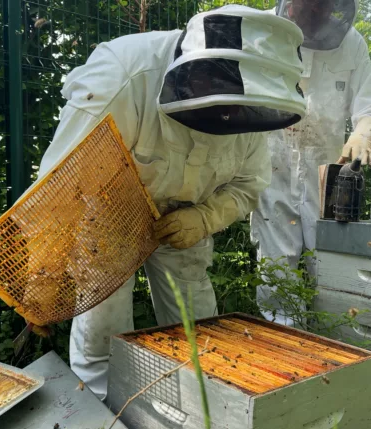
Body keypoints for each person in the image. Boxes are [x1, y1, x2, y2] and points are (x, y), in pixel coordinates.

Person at [35, 5, 306, 399]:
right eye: (224, 103)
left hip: (185, 219)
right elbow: (62, 183)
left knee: (197, 328)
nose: (230, 115)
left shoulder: (250, 100)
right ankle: (103, 413)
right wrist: (44, 271)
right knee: (103, 331)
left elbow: (250, 185)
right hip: (108, 213)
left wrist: (204, 218)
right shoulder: (124, 74)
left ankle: (200, 408)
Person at [251, 0, 371, 325]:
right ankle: (287, 351)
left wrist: (364, 133)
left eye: (318, 8)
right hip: (272, 172)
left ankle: (336, 352)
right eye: (303, 7)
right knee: (277, 277)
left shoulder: (352, 43)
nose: (310, 15)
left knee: (331, 273)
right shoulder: (258, 32)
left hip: (326, 178)